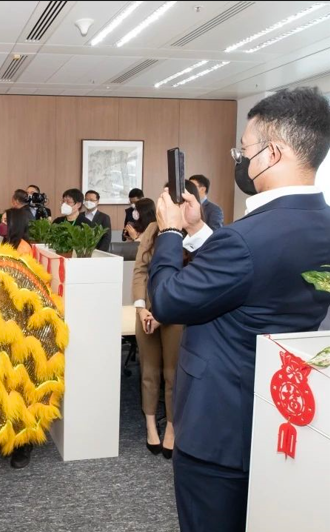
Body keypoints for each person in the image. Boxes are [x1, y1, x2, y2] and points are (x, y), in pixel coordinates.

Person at [150, 87, 330, 532]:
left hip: (219, 428)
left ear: (273, 153)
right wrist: (199, 231)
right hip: (281, 415)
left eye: (244, 150)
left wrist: (170, 233)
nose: (241, 160)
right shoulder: (319, 226)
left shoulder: (246, 239)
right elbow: (257, 279)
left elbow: (168, 300)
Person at [132, 181, 200, 460]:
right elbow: (140, 271)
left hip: (177, 314)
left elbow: (195, 278)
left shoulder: (196, 232)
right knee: (149, 371)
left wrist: (164, 313)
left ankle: (171, 426)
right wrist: (141, 308)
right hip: (147, 312)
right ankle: (151, 425)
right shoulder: (152, 228)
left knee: (173, 374)